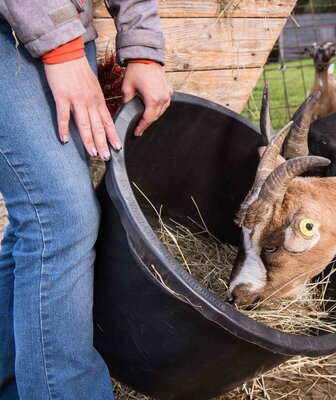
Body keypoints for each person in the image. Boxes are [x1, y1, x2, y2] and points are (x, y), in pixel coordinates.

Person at [0, 1, 173, 399]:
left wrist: (143, 47)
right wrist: (61, 45)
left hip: (65, 28)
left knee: (40, 219)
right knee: (61, 219)